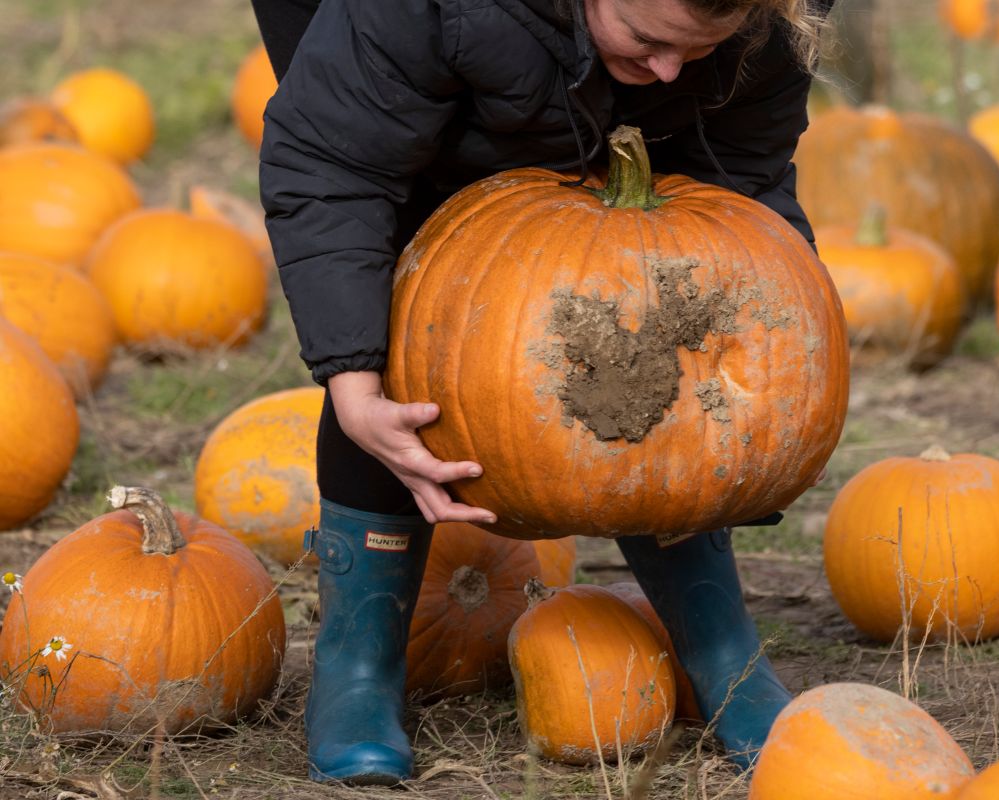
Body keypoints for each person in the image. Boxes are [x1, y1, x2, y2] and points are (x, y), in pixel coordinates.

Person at [251, 0, 834, 785]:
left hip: (547, 50)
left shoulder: (769, 22)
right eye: (650, 41)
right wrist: (353, 381)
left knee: (665, 282)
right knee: (429, 309)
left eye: (696, 49)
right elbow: (334, 165)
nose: (667, 69)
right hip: (405, 40)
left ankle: (721, 650)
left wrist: (768, 394)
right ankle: (359, 663)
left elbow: (742, 185)